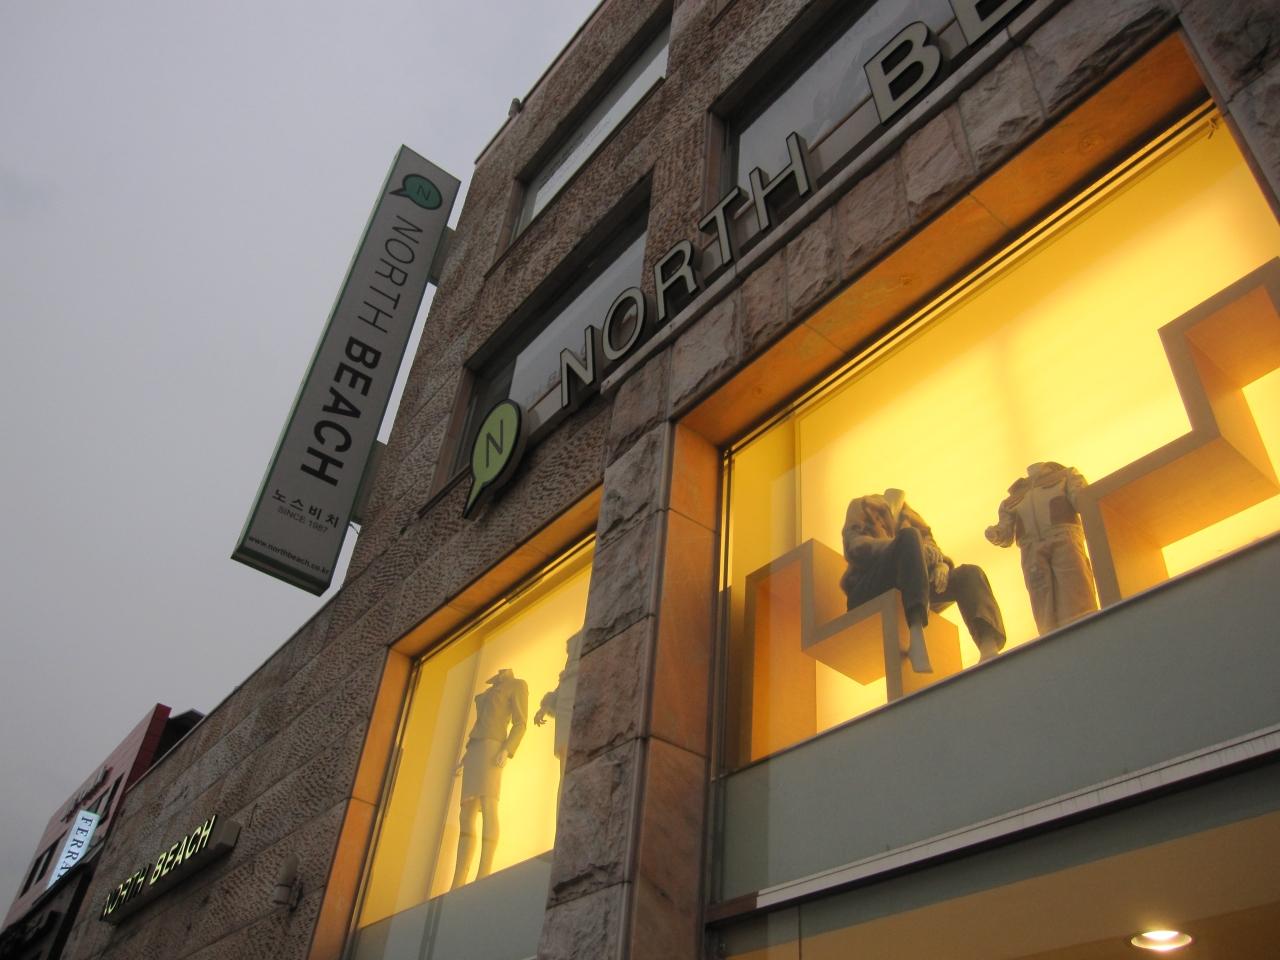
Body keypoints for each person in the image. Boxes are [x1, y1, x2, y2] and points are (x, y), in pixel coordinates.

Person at [841, 489, 1005, 671]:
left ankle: (988, 644)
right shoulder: (863, 505)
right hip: (870, 588)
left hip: (912, 583)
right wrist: (899, 548)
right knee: (909, 537)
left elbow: (931, 546)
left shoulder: (910, 515)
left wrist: (941, 565)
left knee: (968, 574)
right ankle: (916, 634)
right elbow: (855, 546)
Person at [986, 462, 1098, 634]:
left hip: (1063, 538)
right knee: (1042, 602)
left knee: (1076, 592)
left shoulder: (1065, 475)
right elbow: (1006, 532)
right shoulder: (1013, 497)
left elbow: (1082, 500)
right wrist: (996, 534)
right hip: (1031, 549)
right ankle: (1051, 640)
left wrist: (1090, 498)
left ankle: (1088, 632)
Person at [451, 668, 528, 889]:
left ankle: (483, 872)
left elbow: (520, 722)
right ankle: (458, 880)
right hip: (475, 749)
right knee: (466, 814)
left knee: (488, 804)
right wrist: (465, 757)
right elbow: (480, 724)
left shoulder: (517, 685)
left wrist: (508, 748)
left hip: (492, 749)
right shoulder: (489, 690)